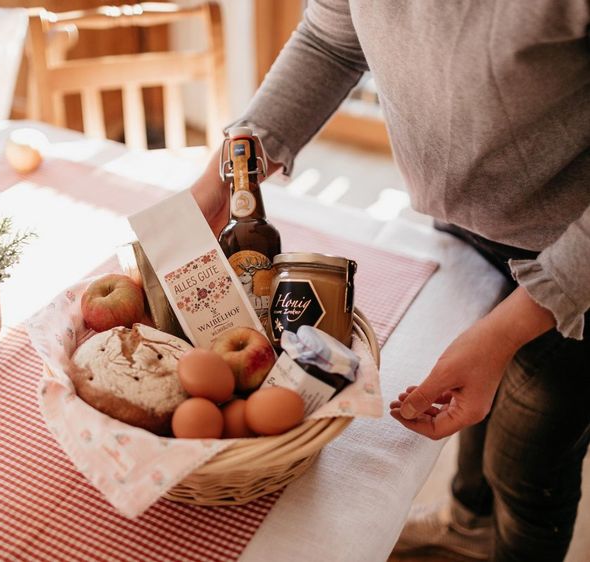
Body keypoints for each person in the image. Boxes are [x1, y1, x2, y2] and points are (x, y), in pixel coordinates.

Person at [190, 1, 590, 561]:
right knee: (476, 375)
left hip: (575, 242)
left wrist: (506, 331)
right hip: (471, 215)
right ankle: (469, 523)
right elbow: (331, 40)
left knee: (528, 460)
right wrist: (227, 173)